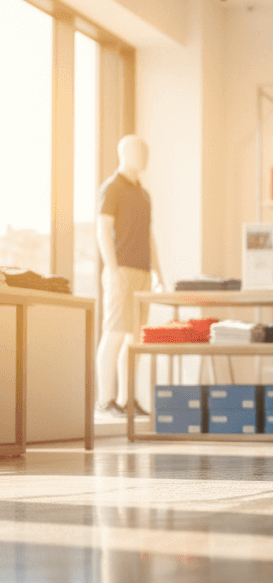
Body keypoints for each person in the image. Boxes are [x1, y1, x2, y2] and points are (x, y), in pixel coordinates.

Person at [95, 135, 163, 419]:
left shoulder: (144, 194)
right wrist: (112, 270)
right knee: (113, 334)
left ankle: (127, 399)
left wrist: (159, 272)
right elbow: (103, 230)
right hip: (120, 270)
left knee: (134, 340)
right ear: (123, 152)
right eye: (138, 150)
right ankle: (105, 399)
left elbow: (148, 236)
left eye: (145, 150)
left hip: (143, 272)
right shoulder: (112, 188)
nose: (143, 155)